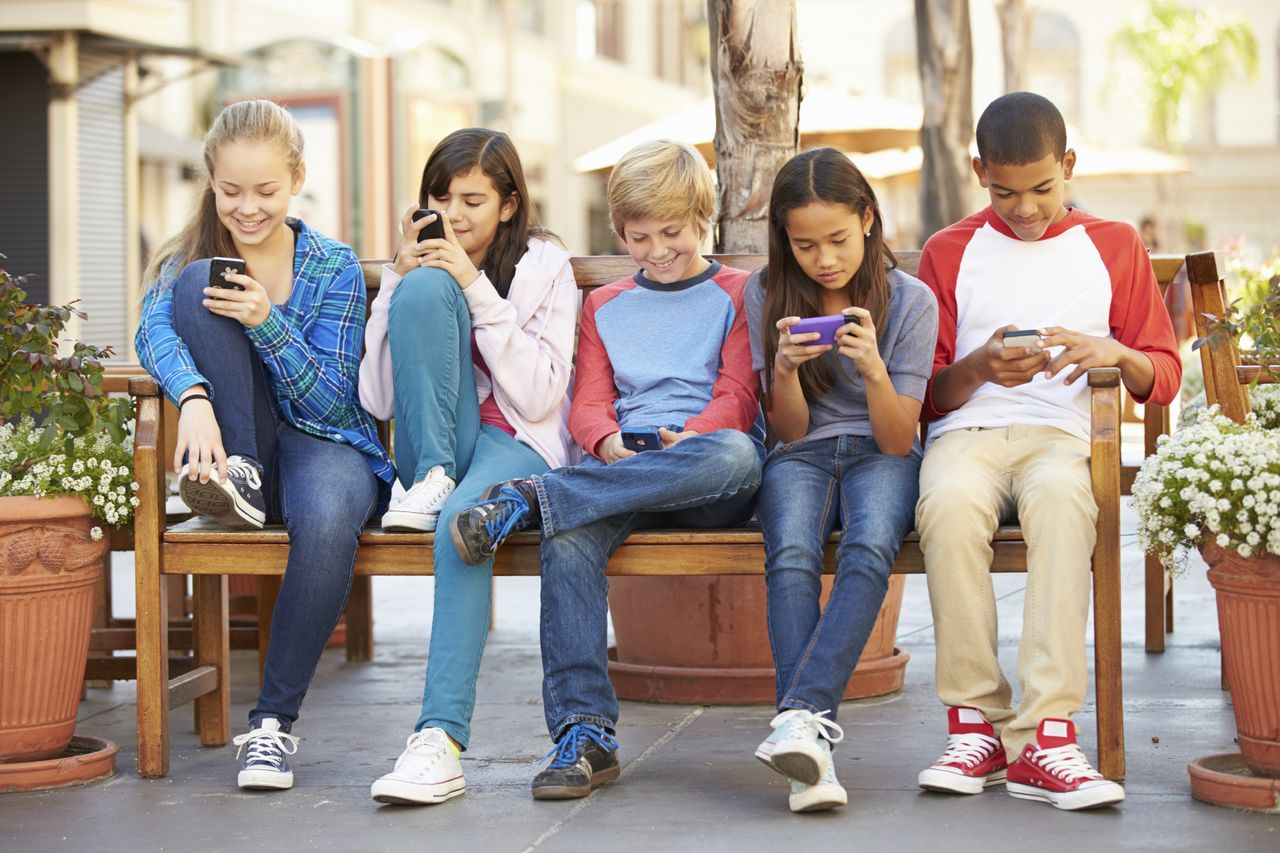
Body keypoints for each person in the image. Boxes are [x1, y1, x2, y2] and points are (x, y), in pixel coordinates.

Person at [447, 139, 764, 801]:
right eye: (638, 236)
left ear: (704, 219)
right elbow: (587, 400)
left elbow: (736, 395)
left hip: (705, 468)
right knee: (570, 534)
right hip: (624, 467)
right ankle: (584, 733)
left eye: (672, 232)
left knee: (737, 453)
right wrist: (606, 437)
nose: (655, 250)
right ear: (619, 231)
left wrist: (694, 437)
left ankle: (533, 497)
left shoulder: (738, 293)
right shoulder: (607, 304)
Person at [913, 92, 1181, 811]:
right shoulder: (949, 251)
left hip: (1062, 438)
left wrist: (1112, 351)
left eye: (1041, 188)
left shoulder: (1115, 244)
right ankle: (975, 724)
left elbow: (1164, 375)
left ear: (1068, 165)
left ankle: (1046, 737)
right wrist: (980, 368)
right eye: (1004, 191)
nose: (1025, 208)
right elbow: (927, 394)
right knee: (945, 502)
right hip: (967, 435)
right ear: (979, 171)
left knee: (1068, 503)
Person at [135, 99, 394, 791]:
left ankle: (272, 725)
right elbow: (151, 334)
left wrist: (267, 321)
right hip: (235, 462)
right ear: (211, 184)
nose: (248, 208)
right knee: (198, 283)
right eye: (231, 191)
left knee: (332, 516)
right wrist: (192, 397)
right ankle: (241, 472)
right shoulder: (191, 257)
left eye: (266, 191)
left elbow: (335, 400)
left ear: (298, 178)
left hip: (325, 443)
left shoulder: (330, 265)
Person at [359, 128, 579, 805]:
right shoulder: (415, 269)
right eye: (441, 197)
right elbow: (378, 396)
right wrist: (399, 281)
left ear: (510, 205)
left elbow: (540, 395)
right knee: (424, 292)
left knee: (462, 523)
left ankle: (439, 742)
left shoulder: (546, 266)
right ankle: (431, 479)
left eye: (473, 200)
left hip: (514, 441)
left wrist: (474, 286)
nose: (453, 214)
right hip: (433, 444)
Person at [745, 148, 938, 813]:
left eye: (837, 239)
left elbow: (896, 439)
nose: (824, 259)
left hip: (883, 454)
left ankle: (801, 717)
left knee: (868, 546)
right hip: (801, 454)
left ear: (868, 218)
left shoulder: (912, 301)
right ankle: (809, 760)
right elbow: (788, 433)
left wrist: (874, 369)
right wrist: (785, 370)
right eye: (804, 245)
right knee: (791, 553)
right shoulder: (766, 291)